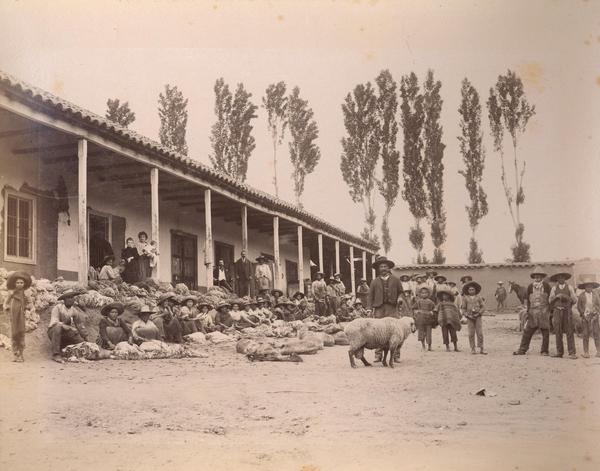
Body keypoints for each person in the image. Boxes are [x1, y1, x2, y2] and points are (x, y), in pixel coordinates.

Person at [514, 266, 551, 356]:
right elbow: (528, 299)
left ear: (542, 277)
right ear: (534, 277)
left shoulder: (546, 286)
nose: (537, 278)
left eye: (539, 276)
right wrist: (528, 311)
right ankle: (522, 349)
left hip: (544, 312)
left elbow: (550, 298)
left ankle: (544, 351)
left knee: (545, 332)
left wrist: (549, 311)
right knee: (527, 331)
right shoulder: (530, 286)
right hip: (533, 313)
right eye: (536, 276)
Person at [47, 289, 89, 363]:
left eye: (72, 298)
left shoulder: (74, 310)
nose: (70, 300)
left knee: (80, 341)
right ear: (64, 300)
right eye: (68, 298)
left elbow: (79, 324)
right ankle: (56, 354)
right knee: (58, 327)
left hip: (66, 334)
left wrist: (85, 338)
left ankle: (72, 352)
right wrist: (66, 326)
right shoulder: (58, 308)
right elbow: (55, 322)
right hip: (54, 333)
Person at [4, 271, 32, 362]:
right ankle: (15, 354)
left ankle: (21, 353)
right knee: (14, 334)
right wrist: (7, 307)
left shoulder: (26, 293)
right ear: (14, 283)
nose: (19, 284)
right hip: (13, 315)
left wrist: (28, 308)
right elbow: (5, 303)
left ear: (24, 284)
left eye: (21, 282)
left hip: (21, 316)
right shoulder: (11, 293)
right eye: (17, 282)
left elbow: (30, 304)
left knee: (21, 333)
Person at [549, 272, 578, 359]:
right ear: (557, 279)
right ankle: (559, 352)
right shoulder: (554, 288)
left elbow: (575, 300)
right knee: (558, 331)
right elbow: (550, 300)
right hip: (557, 311)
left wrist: (565, 297)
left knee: (569, 331)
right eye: (559, 278)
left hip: (567, 311)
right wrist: (557, 296)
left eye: (562, 277)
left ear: (565, 279)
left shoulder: (569, 287)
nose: (561, 279)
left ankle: (572, 352)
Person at [576, 276, 600, 358]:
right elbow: (579, 306)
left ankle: (598, 351)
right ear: (584, 287)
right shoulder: (581, 296)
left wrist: (596, 312)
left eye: (590, 286)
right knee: (585, 334)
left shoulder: (596, 295)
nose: (589, 288)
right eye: (587, 286)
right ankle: (586, 352)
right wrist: (583, 314)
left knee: (596, 333)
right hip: (585, 317)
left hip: (594, 317)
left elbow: (598, 305)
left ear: (593, 287)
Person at [461, 281, 487, 354]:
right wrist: (467, 315)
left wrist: (478, 313)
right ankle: (472, 348)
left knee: (480, 333)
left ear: (475, 290)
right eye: (470, 290)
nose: (471, 291)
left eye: (473, 289)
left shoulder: (479, 298)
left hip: (478, 317)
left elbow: (483, 307)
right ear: (467, 291)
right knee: (471, 333)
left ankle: (481, 348)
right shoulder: (465, 298)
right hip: (470, 318)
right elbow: (463, 308)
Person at [413, 287, 437, 351]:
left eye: (425, 293)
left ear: (428, 294)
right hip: (420, 319)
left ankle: (429, 346)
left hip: (428, 320)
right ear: (420, 294)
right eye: (422, 293)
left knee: (428, 333)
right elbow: (414, 308)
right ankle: (423, 345)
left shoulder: (431, 302)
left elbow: (434, 309)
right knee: (421, 333)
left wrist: (432, 312)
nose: (424, 294)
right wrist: (416, 312)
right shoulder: (418, 302)